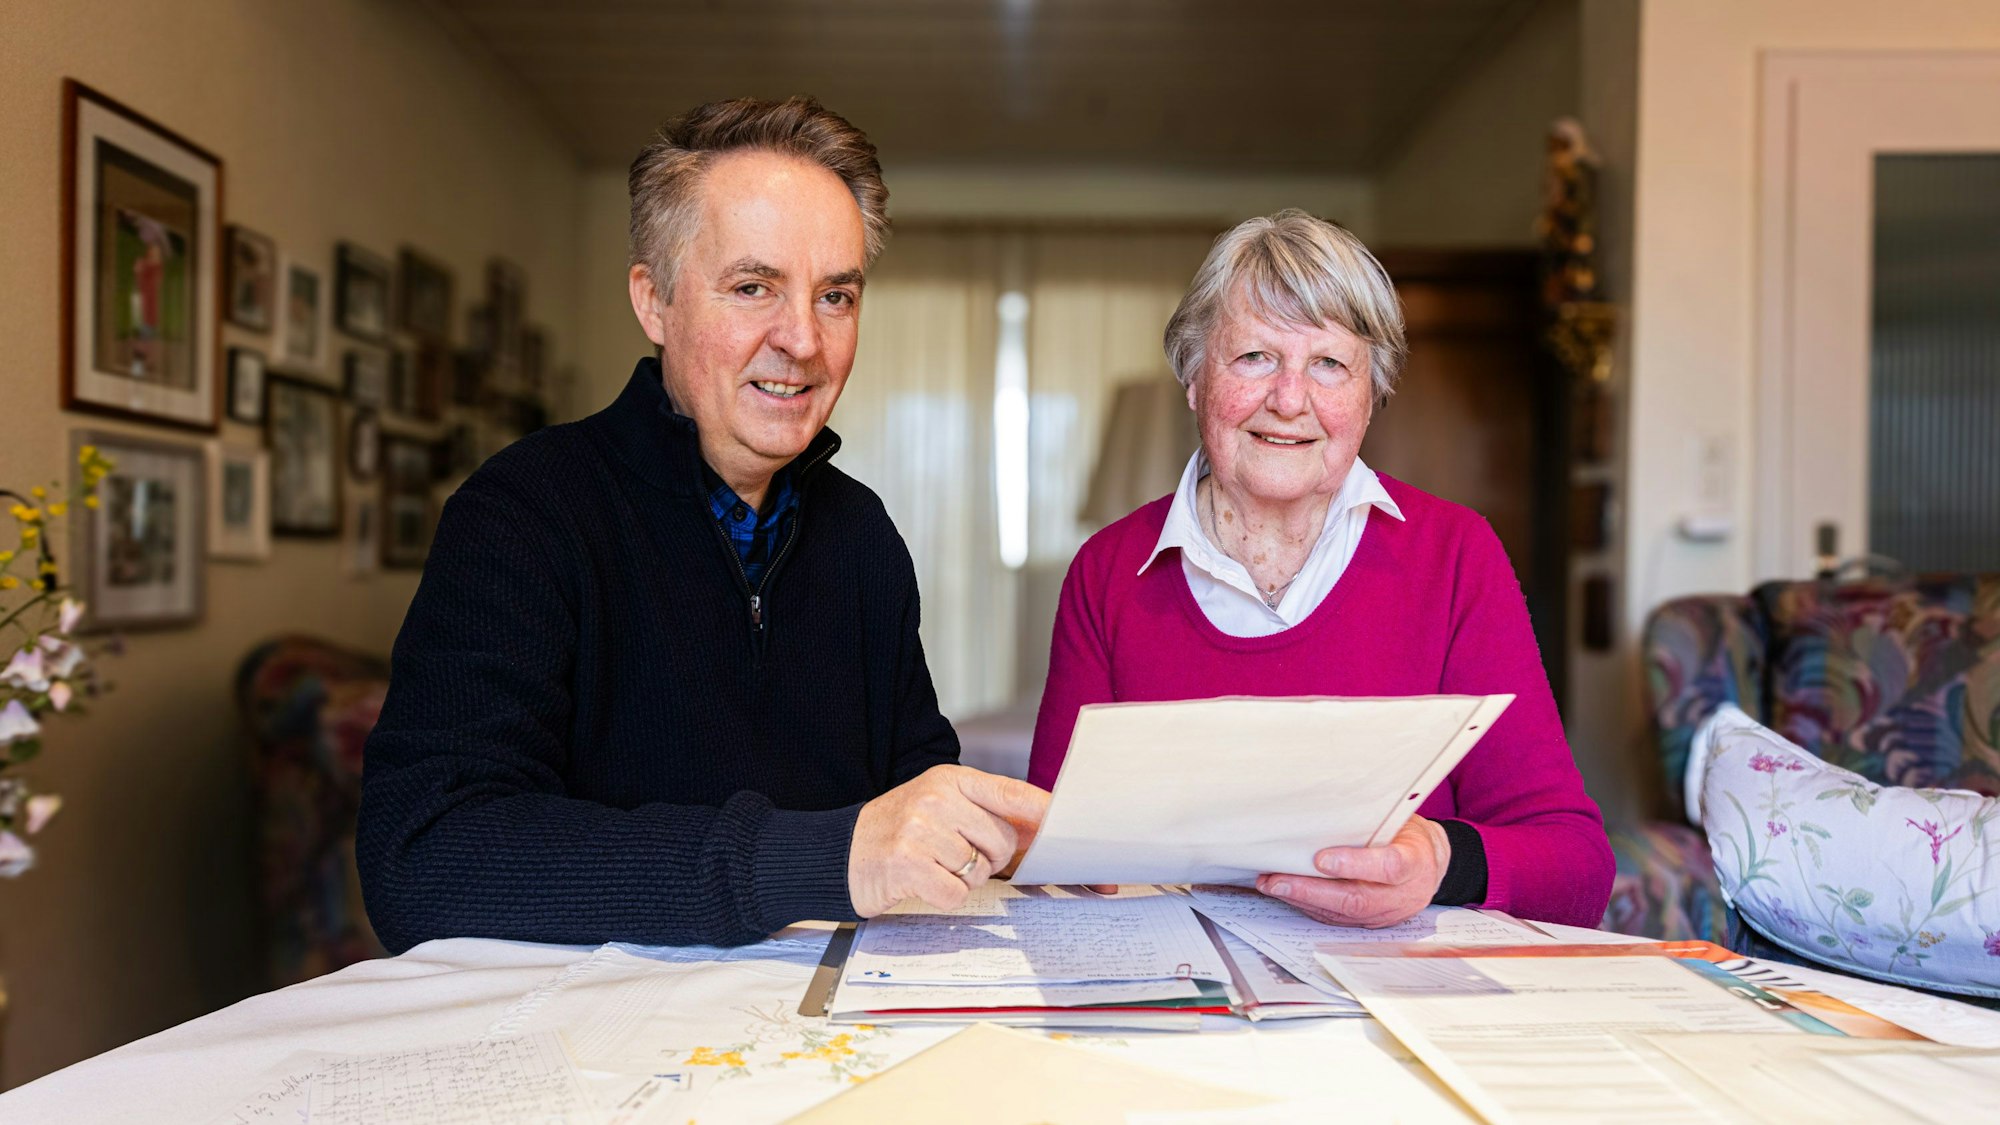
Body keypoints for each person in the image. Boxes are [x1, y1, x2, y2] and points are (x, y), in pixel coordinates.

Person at [358, 97, 1048, 951]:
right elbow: (423, 858)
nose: (802, 339)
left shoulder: (864, 536)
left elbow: (911, 799)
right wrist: (824, 857)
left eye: (836, 296)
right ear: (654, 302)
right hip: (592, 1053)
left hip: (828, 1040)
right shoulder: (524, 513)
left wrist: (992, 833)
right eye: (753, 287)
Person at [1027, 210, 1613, 929]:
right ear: (1193, 376)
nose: (1290, 398)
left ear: (1371, 396)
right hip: (1182, 1011)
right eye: (1254, 357)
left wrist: (1439, 862)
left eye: (1329, 364)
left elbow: (1578, 865)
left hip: (1398, 1011)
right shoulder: (1108, 573)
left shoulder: (1456, 556)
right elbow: (1053, 869)